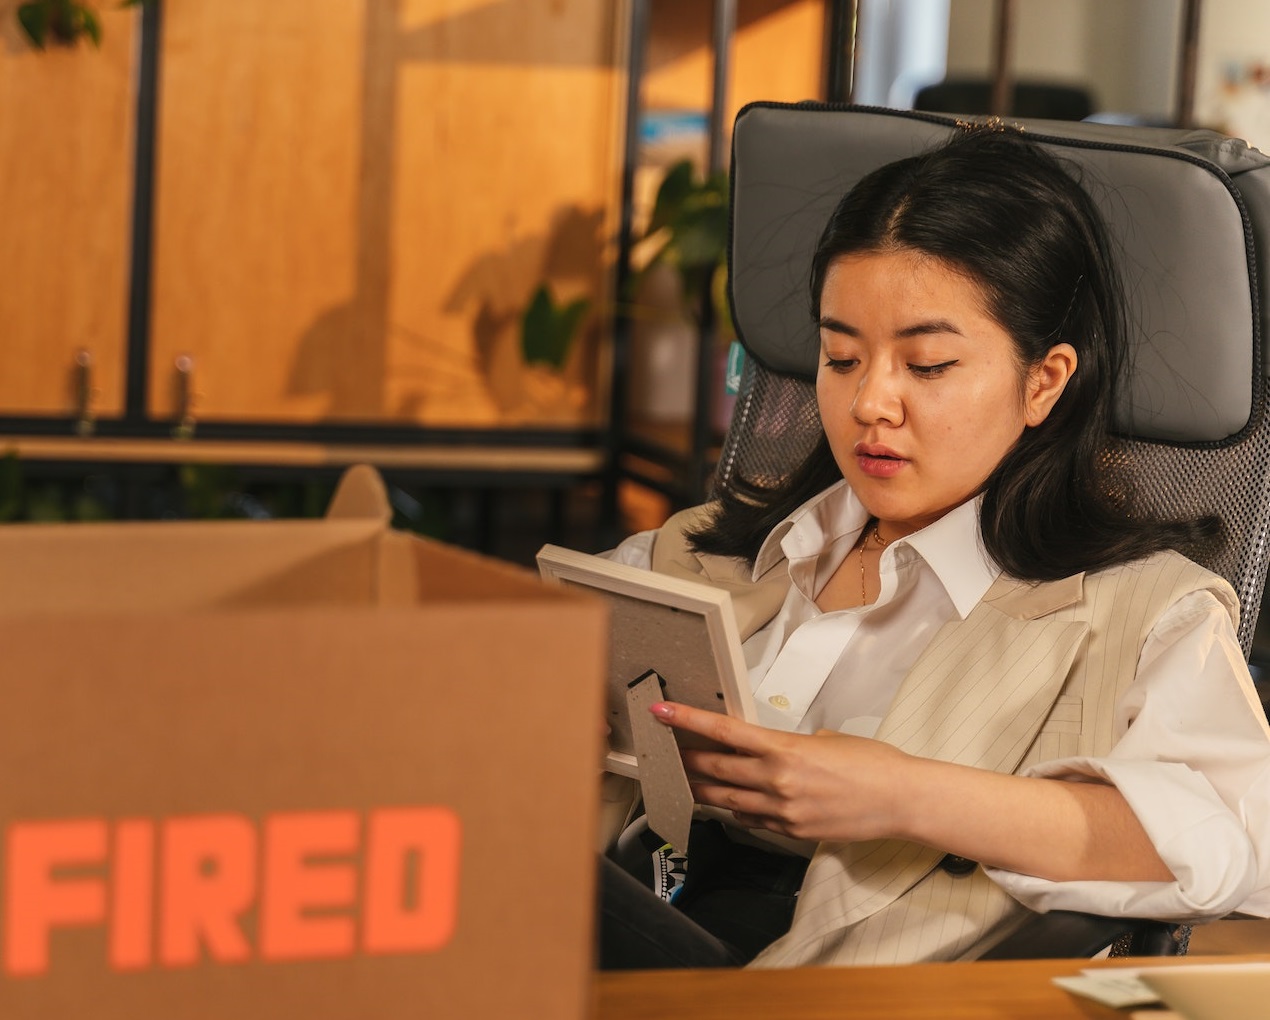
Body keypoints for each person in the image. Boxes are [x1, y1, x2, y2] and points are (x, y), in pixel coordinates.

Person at [596, 126, 1270, 969]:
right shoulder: (703, 553)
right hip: (647, 902)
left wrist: (901, 794)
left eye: (928, 366)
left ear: (1043, 382)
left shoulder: (1141, 611)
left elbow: (1228, 840)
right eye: (842, 357)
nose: (871, 402)